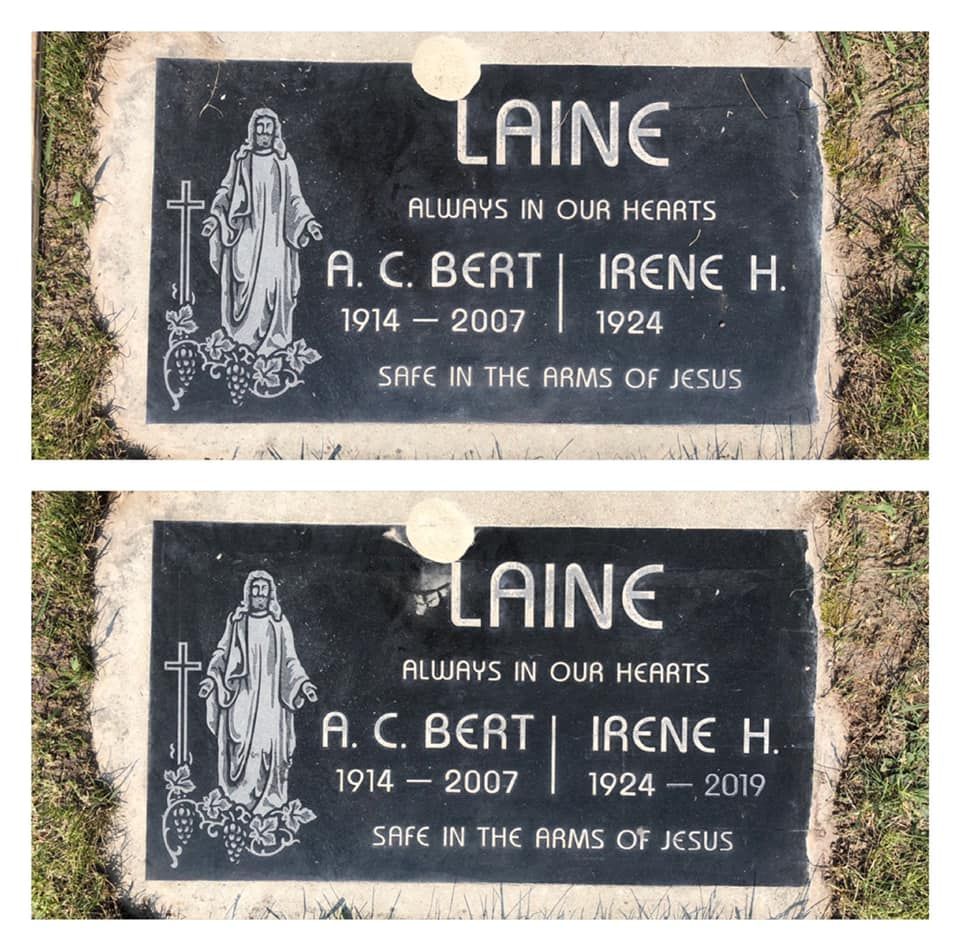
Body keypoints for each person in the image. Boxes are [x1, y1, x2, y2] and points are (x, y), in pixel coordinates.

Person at [201, 108, 323, 355]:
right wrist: (215, 217)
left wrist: (308, 222)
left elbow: (295, 198)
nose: (264, 133)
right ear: (253, 130)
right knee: (242, 280)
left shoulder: (284, 162)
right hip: (245, 234)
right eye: (260, 127)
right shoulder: (241, 159)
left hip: (276, 241)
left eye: (269, 128)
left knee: (272, 291)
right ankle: (239, 345)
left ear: (275, 131)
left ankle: (271, 347)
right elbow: (225, 190)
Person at [199, 570, 317, 814]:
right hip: (241, 693)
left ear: (270, 593)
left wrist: (303, 684)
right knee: (238, 741)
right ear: (248, 592)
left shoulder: (279, 623)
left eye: (264, 590)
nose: (259, 595)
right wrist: (212, 678)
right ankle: (237, 802)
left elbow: (290, 660)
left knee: (267, 748)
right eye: (255, 590)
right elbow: (222, 651)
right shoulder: (237, 621)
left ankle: (267, 805)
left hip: (271, 700)